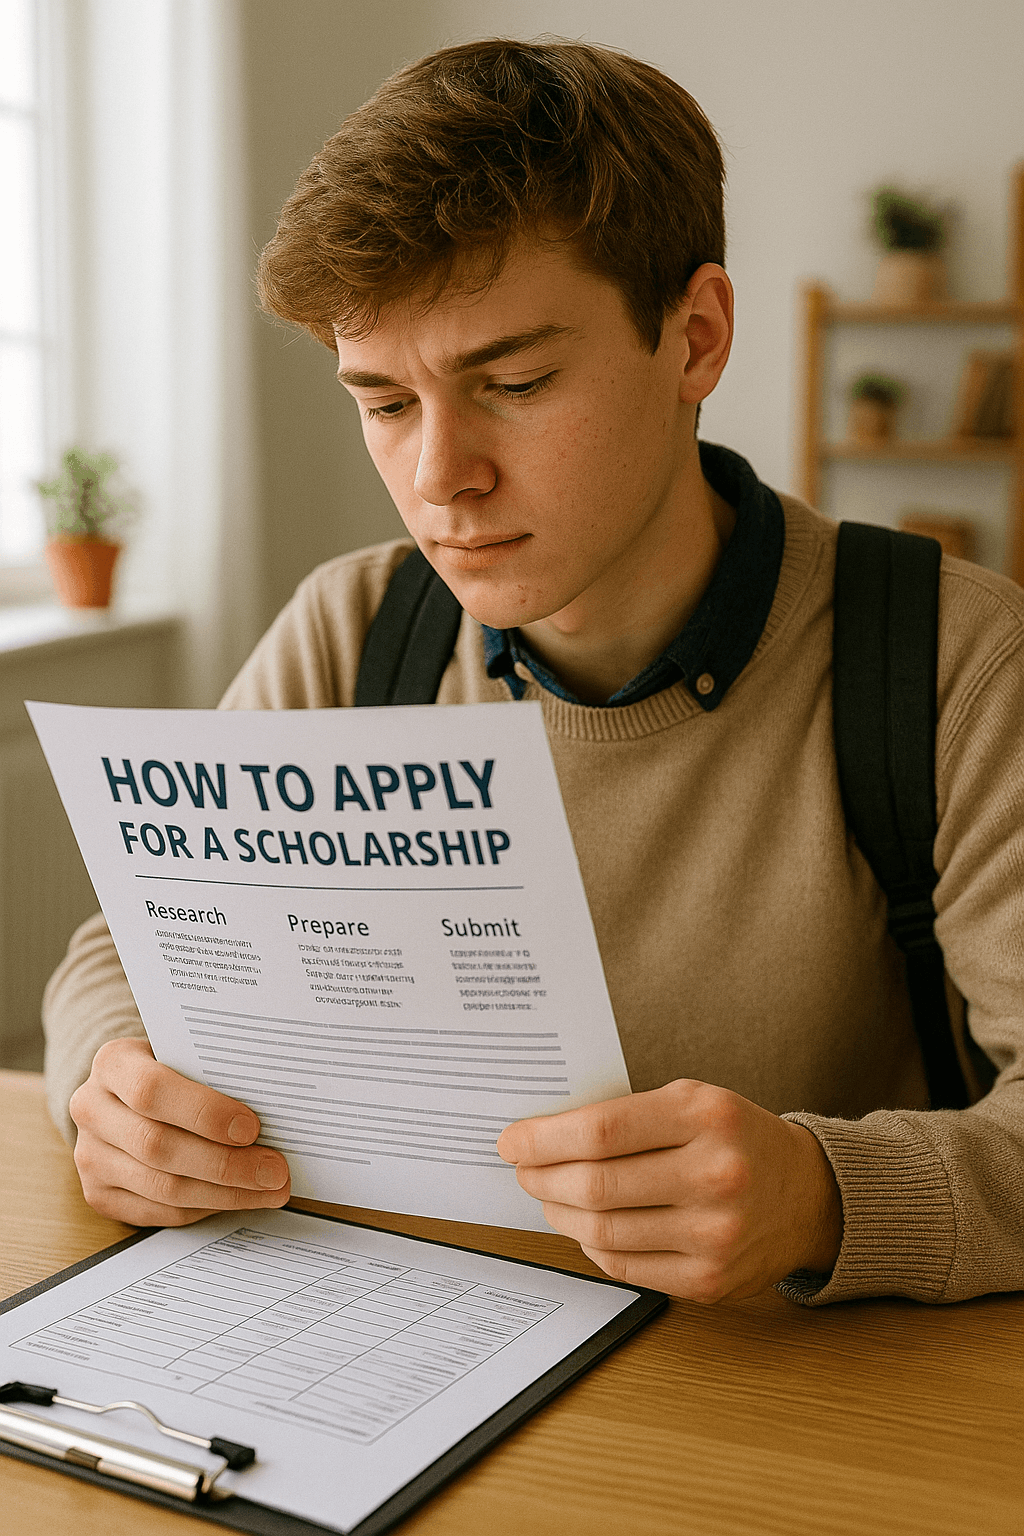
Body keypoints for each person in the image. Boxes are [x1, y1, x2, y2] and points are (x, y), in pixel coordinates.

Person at [44, 39, 1024, 1308]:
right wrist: (109, 1085)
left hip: (799, 1410)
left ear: (696, 339)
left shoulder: (953, 662)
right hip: (406, 1358)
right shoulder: (354, 627)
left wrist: (826, 1196)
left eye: (512, 381)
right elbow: (120, 947)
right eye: (386, 402)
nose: (438, 477)